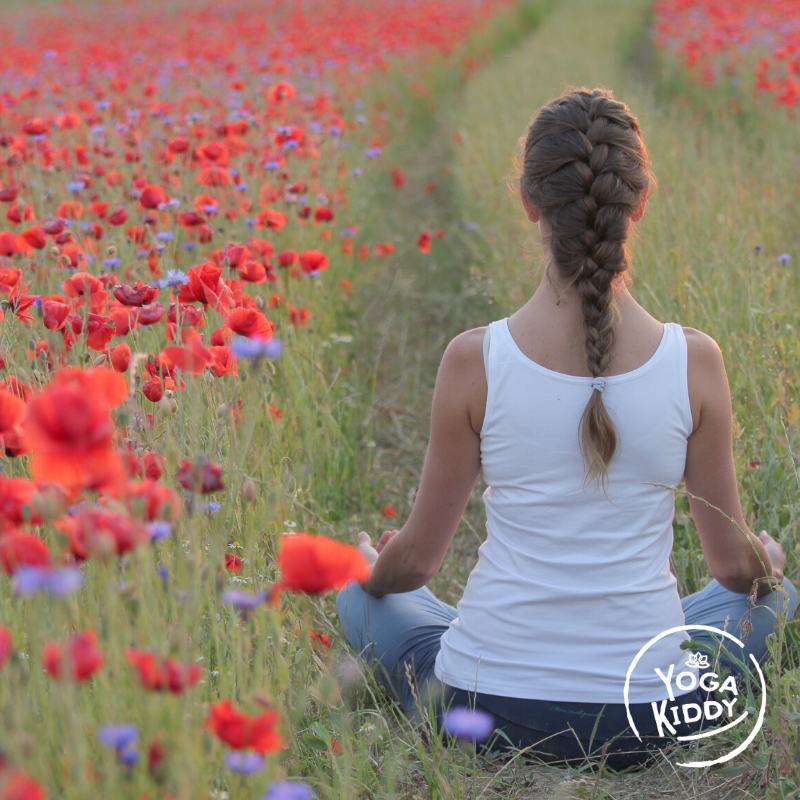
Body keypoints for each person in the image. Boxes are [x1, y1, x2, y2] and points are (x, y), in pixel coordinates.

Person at [336, 87, 797, 770]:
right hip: (649, 714)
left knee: (360, 591)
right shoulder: (694, 361)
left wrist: (373, 570)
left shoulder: (474, 360)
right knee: (775, 596)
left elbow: (418, 565)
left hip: (482, 707)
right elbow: (733, 567)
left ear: (528, 202)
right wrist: (768, 563)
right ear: (638, 202)